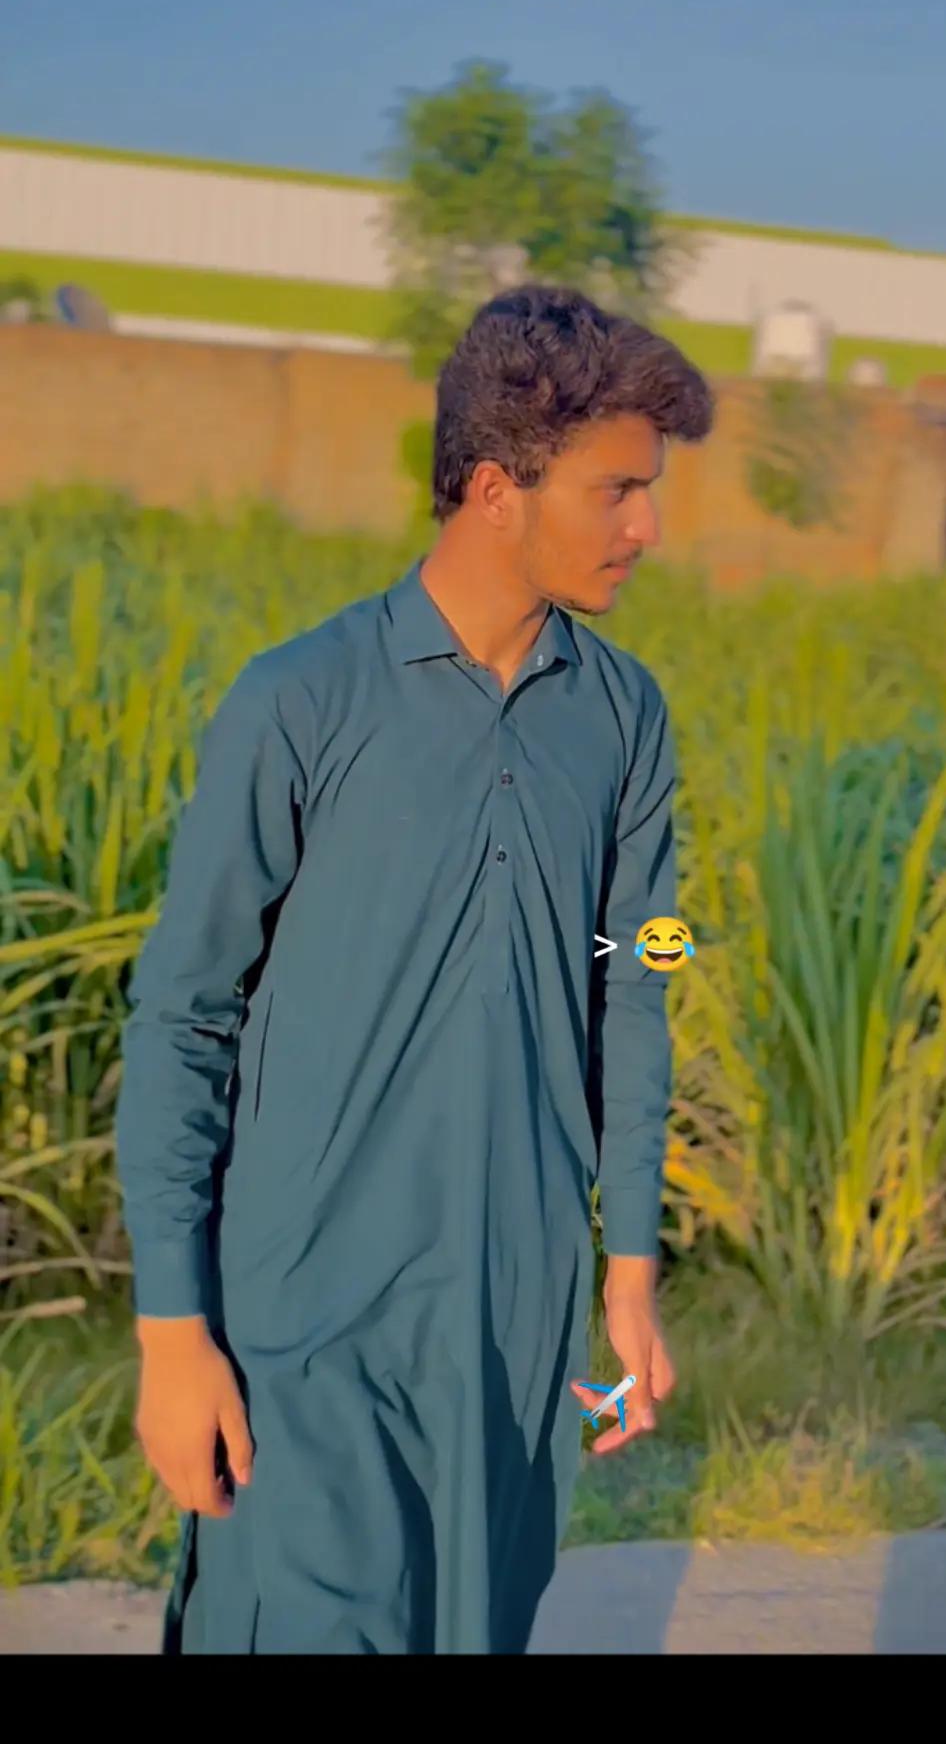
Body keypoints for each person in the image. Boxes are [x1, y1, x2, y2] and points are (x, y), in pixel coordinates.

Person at [116, 283, 715, 1655]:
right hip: (301, 1311)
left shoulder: (627, 718)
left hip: (513, 1317)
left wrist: (628, 1271)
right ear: (498, 488)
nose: (647, 528)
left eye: (651, 491)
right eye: (618, 490)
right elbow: (183, 1014)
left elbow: (643, 967)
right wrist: (172, 1332)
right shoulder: (299, 700)